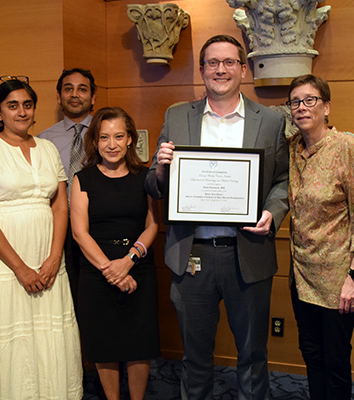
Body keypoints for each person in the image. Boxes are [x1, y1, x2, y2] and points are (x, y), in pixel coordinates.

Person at [145, 34, 289, 400]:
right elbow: (153, 182)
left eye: (228, 62)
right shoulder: (177, 116)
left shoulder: (270, 120)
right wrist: (161, 170)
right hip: (191, 253)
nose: (220, 70)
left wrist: (273, 211)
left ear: (243, 69)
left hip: (249, 252)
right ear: (202, 70)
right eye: (212, 62)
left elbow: (284, 179)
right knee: (194, 357)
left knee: (253, 354)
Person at [0, 76, 83, 399]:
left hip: (47, 261)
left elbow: (60, 205)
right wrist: (20, 268)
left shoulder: (46, 147)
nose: (21, 112)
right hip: (1, 264)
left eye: (27, 105)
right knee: (6, 342)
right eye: (12, 106)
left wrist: (54, 257)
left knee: (47, 338)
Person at [71, 107, 160, 400]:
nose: (112, 144)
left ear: (131, 139)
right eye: (104, 137)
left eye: (119, 136)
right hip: (96, 271)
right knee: (104, 342)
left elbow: (152, 225)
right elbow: (79, 233)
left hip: (138, 266)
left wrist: (128, 262)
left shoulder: (146, 177)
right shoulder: (82, 179)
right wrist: (111, 270)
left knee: (139, 343)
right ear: (95, 141)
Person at [286, 74, 354, 400]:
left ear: (326, 106)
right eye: (295, 102)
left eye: (310, 100)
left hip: (338, 278)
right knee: (312, 354)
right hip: (301, 275)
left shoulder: (347, 146)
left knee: (334, 360)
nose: (302, 107)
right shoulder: (292, 149)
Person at [39, 68, 97, 312]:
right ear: (58, 96)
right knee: (67, 302)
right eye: (68, 89)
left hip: (97, 228)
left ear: (93, 98)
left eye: (82, 89)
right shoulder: (43, 140)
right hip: (59, 233)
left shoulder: (106, 134)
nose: (75, 95)